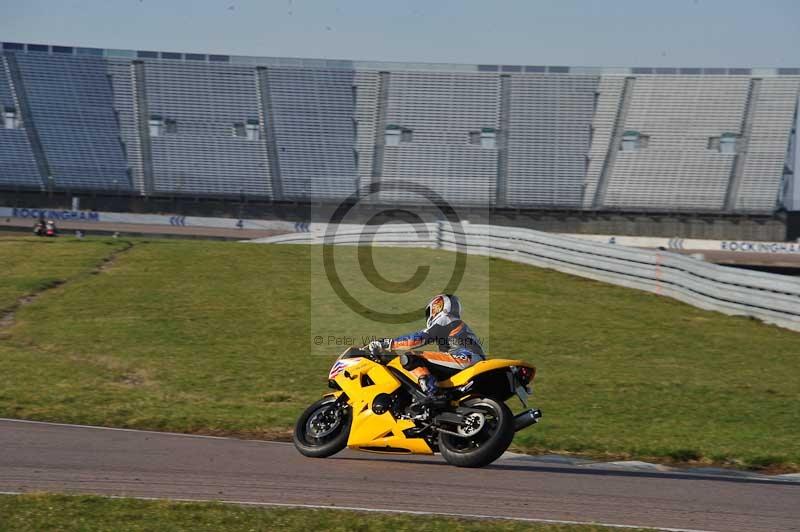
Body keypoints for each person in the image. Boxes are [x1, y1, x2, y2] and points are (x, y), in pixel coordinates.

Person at [369, 294, 485, 401]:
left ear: (438, 306)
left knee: (411, 357)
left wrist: (388, 343)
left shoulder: (446, 318)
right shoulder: (455, 323)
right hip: (472, 360)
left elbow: (417, 339)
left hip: (464, 358)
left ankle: (433, 394)